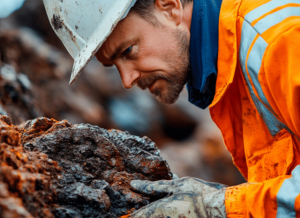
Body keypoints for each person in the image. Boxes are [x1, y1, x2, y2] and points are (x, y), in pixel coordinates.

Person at [43, 0, 300, 217]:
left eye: (129, 51)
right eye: (114, 66)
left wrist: (218, 206)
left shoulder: (278, 43)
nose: (127, 80)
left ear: (170, 8)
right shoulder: (227, 64)